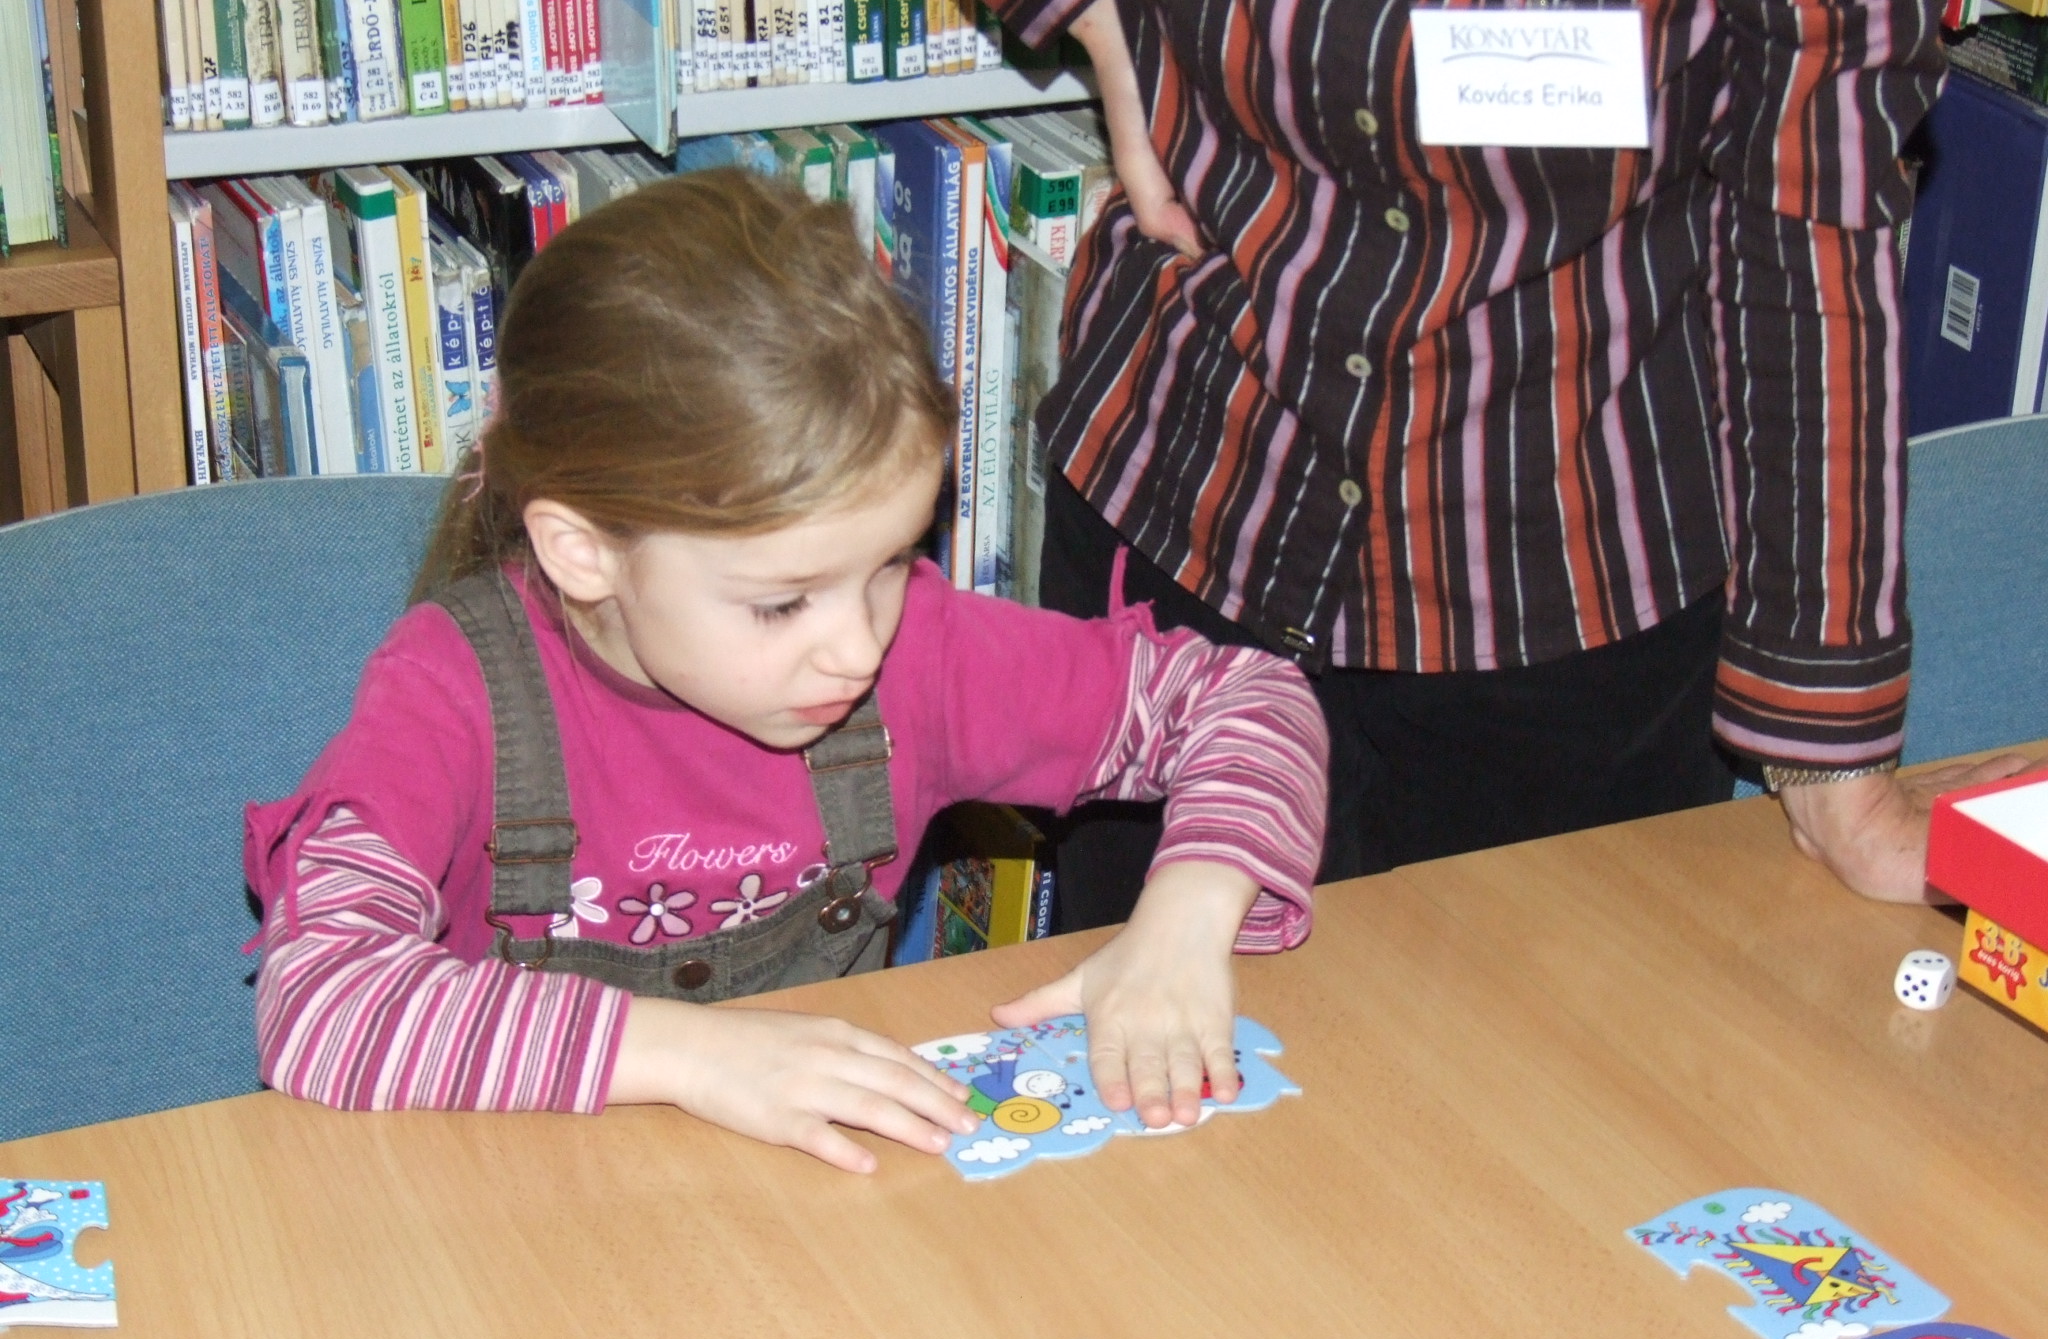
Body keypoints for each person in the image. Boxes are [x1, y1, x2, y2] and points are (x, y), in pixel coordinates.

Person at [243, 171, 1328, 1173]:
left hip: (814, 1208)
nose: (856, 647)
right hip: (525, 1207)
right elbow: (323, 999)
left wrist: (1182, 926)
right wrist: (698, 1056)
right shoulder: (453, 689)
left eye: (891, 562)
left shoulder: (917, 653)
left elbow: (1248, 700)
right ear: (582, 552)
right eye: (780, 603)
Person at [989, 0, 2036, 931]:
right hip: (1186, 509)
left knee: (1533, 1075)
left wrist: (1828, 755)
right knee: (1150, 1067)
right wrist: (1103, 31)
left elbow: (1812, 220)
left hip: (1568, 604)